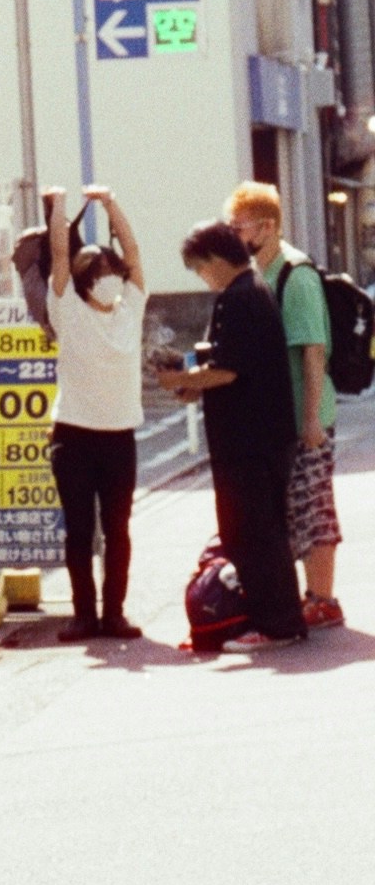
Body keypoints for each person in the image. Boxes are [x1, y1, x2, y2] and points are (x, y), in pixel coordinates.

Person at [154, 220, 306, 646]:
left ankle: (276, 624)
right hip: (256, 439)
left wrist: (177, 383)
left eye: (200, 268)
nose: (202, 278)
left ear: (217, 260)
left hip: (252, 442)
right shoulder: (247, 293)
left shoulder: (242, 298)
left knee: (255, 532)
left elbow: (227, 369)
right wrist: (189, 387)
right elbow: (228, 369)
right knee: (253, 531)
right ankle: (274, 619)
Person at [227, 180, 343, 628]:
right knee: (294, 508)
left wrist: (311, 417)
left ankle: (323, 599)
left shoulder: (296, 275)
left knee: (314, 506)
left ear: (268, 226)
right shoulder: (263, 273)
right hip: (283, 418)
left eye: (241, 226)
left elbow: (313, 349)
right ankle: (310, 597)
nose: (235, 235)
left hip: (307, 416)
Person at [44, 185, 146, 643]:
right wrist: (62, 206)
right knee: (80, 532)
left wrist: (110, 204)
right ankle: (83, 614)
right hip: (74, 436)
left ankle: (115, 614)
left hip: (118, 435)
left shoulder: (131, 309)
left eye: (115, 271)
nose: (111, 278)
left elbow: (135, 249)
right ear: (86, 281)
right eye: (101, 272)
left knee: (118, 530)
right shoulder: (69, 308)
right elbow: (60, 255)